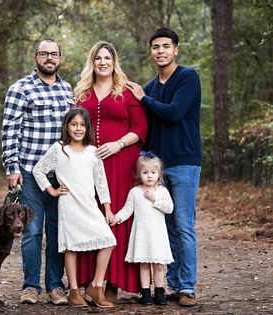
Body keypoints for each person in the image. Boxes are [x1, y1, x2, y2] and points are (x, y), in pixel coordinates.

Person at [126, 28, 202, 307]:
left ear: (175, 50)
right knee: (165, 225)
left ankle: (187, 287)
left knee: (183, 224)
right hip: (156, 167)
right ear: (151, 52)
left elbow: (174, 112)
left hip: (183, 162)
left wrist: (143, 98)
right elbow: (143, 123)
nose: (160, 51)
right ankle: (171, 284)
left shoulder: (187, 77)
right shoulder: (149, 86)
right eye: (156, 47)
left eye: (166, 46)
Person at [1, 39, 74, 305]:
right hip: (30, 172)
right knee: (32, 230)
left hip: (61, 174)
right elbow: (10, 128)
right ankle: (31, 286)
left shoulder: (67, 90)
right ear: (36, 58)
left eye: (54, 54)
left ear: (60, 59)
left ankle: (55, 286)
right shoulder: (20, 88)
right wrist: (12, 167)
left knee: (57, 232)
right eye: (44, 54)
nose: (49, 58)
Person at [74, 41, 148, 299]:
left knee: (115, 217)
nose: (103, 62)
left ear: (114, 62)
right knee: (88, 216)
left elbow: (140, 129)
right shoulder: (81, 93)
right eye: (98, 58)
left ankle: (112, 282)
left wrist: (117, 144)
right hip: (89, 164)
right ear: (92, 62)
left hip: (121, 162)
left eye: (107, 58)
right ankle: (88, 281)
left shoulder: (126, 92)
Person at [32, 107, 116, 308]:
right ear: (67, 127)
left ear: (87, 128)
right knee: (71, 248)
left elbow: (101, 183)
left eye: (82, 125)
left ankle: (96, 286)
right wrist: (51, 190)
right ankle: (74, 290)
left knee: (109, 241)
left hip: (89, 205)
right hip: (69, 205)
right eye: (74, 124)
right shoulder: (59, 149)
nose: (78, 128)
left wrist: (107, 209)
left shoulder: (92, 152)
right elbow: (38, 170)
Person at [111, 151, 174, 305]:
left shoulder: (162, 191)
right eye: (145, 173)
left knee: (159, 266)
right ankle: (146, 293)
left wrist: (155, 199)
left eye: (153, 172)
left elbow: (169, 208)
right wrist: (116, 217)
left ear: (159, 174)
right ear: (139, 174)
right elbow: (127, 210)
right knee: (144, 265)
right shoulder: (135, 192)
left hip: (157, 235)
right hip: (141, 235)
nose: (149, 176)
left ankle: (159, 293)